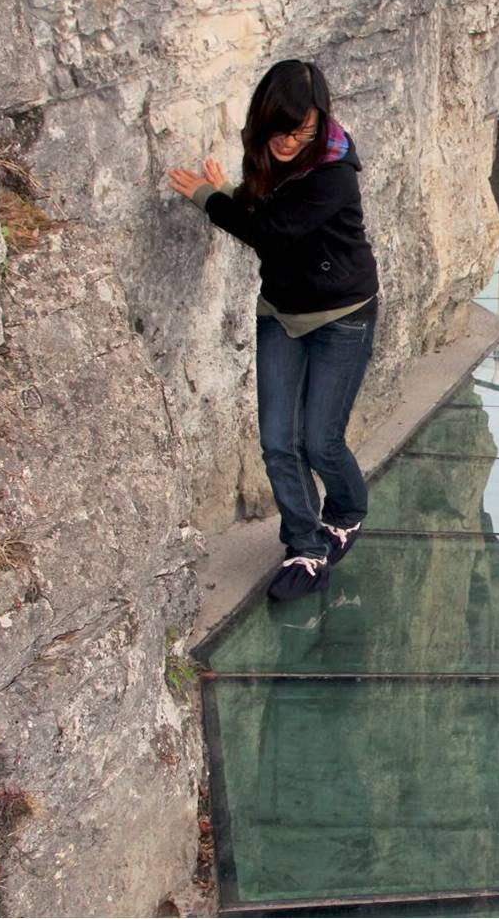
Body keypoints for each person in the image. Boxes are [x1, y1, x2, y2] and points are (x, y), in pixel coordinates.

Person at [167, 60, 378, 600]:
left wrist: (211, 200)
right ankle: (307, 548)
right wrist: (238, 194)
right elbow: (268, 209)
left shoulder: (333, 172)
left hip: (341, 315)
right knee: (278, 442)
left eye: (302, 132)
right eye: (280, 130)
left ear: (319, 125)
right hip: (281, 310)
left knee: (320, 441)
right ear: (264, 121)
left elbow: (273, 230)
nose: (289, 142)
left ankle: (347, 510)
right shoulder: (265, 151)